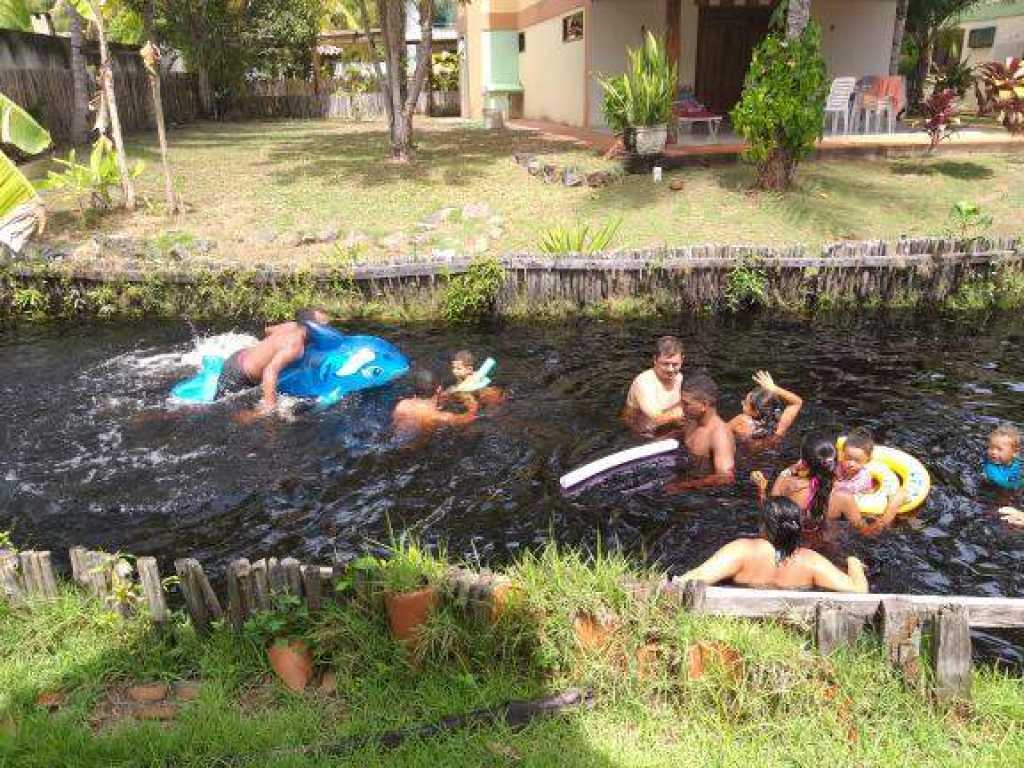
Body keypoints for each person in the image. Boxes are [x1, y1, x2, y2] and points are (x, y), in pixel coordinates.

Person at [678, 497, 869, 593]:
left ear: (763, 525)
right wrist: (853, 562)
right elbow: (859, 591)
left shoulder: (743, 550)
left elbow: (691, 579)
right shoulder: (810, 561)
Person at [753, 431, 901, 536]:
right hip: (824, 549)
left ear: (803, 462)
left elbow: (769, 515)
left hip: (789, 543)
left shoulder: (785, 481)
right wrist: (892, 509)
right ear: (837, 459)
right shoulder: (843, 497)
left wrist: (762, 490)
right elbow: (867, 532)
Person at [226, 308, 330, 417]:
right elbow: (270, 371)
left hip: (241, 355)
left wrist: (270, 348)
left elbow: (267, 330)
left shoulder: (292, 325)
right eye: (324, 326)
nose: (328, 330)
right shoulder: (295, 346)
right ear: (311, 326)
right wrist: (270, 406)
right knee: (238, 416)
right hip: (239, 374)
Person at [664, 373, 736, 492]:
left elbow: (726, 477)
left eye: (686, 404)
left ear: (704, 405)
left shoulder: (719, 435)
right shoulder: (691, 421)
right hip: (686, 472)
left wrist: (683, 486)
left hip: (702, 492)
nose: (681, 407)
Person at [622, 336, 685, 435]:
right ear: (655, 359)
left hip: (668, 429)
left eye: (675, 364)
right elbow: (657, 419)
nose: (671, 369)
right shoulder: (644, 382)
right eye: (665, 364)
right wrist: (686, 409)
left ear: (682, 360)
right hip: (640, 434)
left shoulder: (680, 378)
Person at [393, 369, 479, 434]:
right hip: (413, 455)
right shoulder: (438, 417)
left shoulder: (402, 405)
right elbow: (469, 418)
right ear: (439, 389)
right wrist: (471, 401)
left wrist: (449, 394)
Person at [728, 370, 803, 441]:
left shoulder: (741, 421)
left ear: (756, 411)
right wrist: (774, 388)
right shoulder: (780, 426)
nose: (742, 402)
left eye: (745, 403)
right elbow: (797, 402)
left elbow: (721, 431)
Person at [834, 428, 876, 495]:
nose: (851, 464)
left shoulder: (864, 476)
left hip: (858, 498)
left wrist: (835, 484)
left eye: (857, 461)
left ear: (867, 461)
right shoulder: (839, 466)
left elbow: (852, 489)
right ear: (842, 454)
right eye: (848, 458)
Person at [983, 422, 1021, 491]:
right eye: (991, 448)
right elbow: (1004, 484)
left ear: (1015, 452)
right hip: (994, 490)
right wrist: (1020, 483)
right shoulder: (991, 468)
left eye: (999, 449)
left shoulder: (1017, 461)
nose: (993, 452)